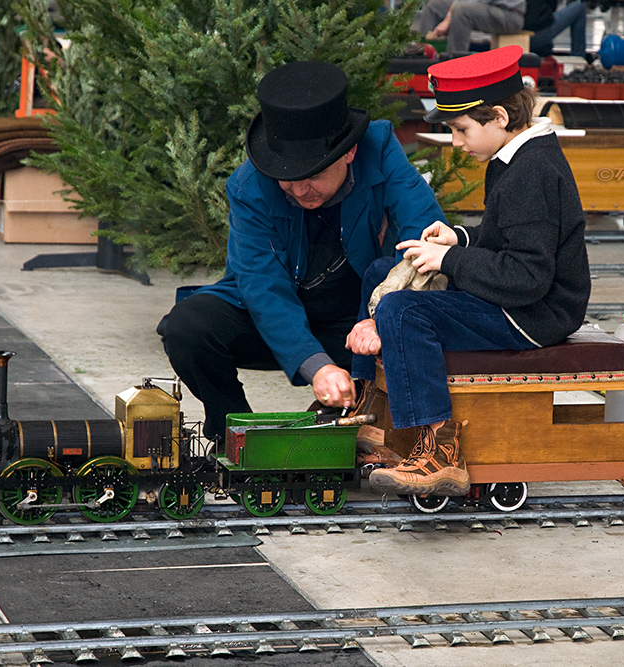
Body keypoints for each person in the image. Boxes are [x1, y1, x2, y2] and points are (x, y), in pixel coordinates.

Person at [157, 61, 445, 445]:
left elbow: (423, 233)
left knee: (406, 300)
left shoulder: (379, 149)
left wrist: (382, 316)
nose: (299, 191)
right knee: (187, 327)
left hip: (358, 320)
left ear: (348, 153)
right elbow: (262, 286)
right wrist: (317, 367)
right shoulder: (248, 185)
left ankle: (356, 414)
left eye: (312, 176)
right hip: (277, 318)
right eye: (288, 180)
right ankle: (234, 432)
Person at [347, 46, 591, 497]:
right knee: (381, 269)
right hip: (516, 296)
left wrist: (451, 261)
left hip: (534, 314)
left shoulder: (530, 173)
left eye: (462, 129)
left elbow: (528, 274)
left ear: (499, 116)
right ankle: (373, 415)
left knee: (403, 311)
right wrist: (458, 238)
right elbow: (510, 236)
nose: (456, 142)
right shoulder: (514, 157)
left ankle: (440, 453)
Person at [411, 0, 526, 53]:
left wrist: (448, 19)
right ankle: (423, 53)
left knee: (461, 11)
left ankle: (454, 63)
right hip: (488, 7)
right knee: (434, 5)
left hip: (510, 14)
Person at [523, 0, 589, 59]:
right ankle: (578, 59)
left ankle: (544, 48)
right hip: (534, 36)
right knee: (580, 7)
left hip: (517, 39)